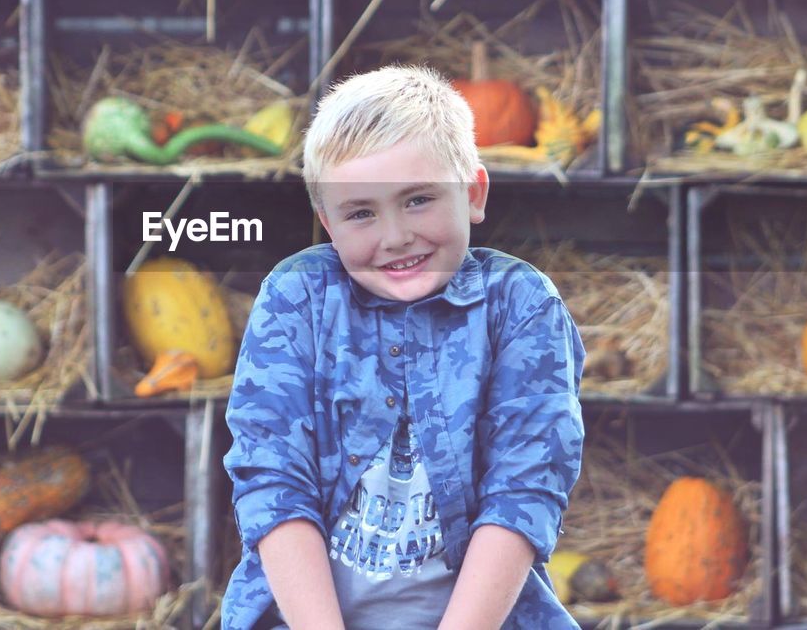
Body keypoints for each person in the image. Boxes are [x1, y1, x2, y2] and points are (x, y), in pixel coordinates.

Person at [222, 64, 586, 629]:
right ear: (327, 222)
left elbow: (525, 487)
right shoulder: (297, 299)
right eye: (361, 213)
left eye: (418, 200)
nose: (395, 236)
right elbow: (272, 480)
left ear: (474, 193)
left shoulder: (521, 305)